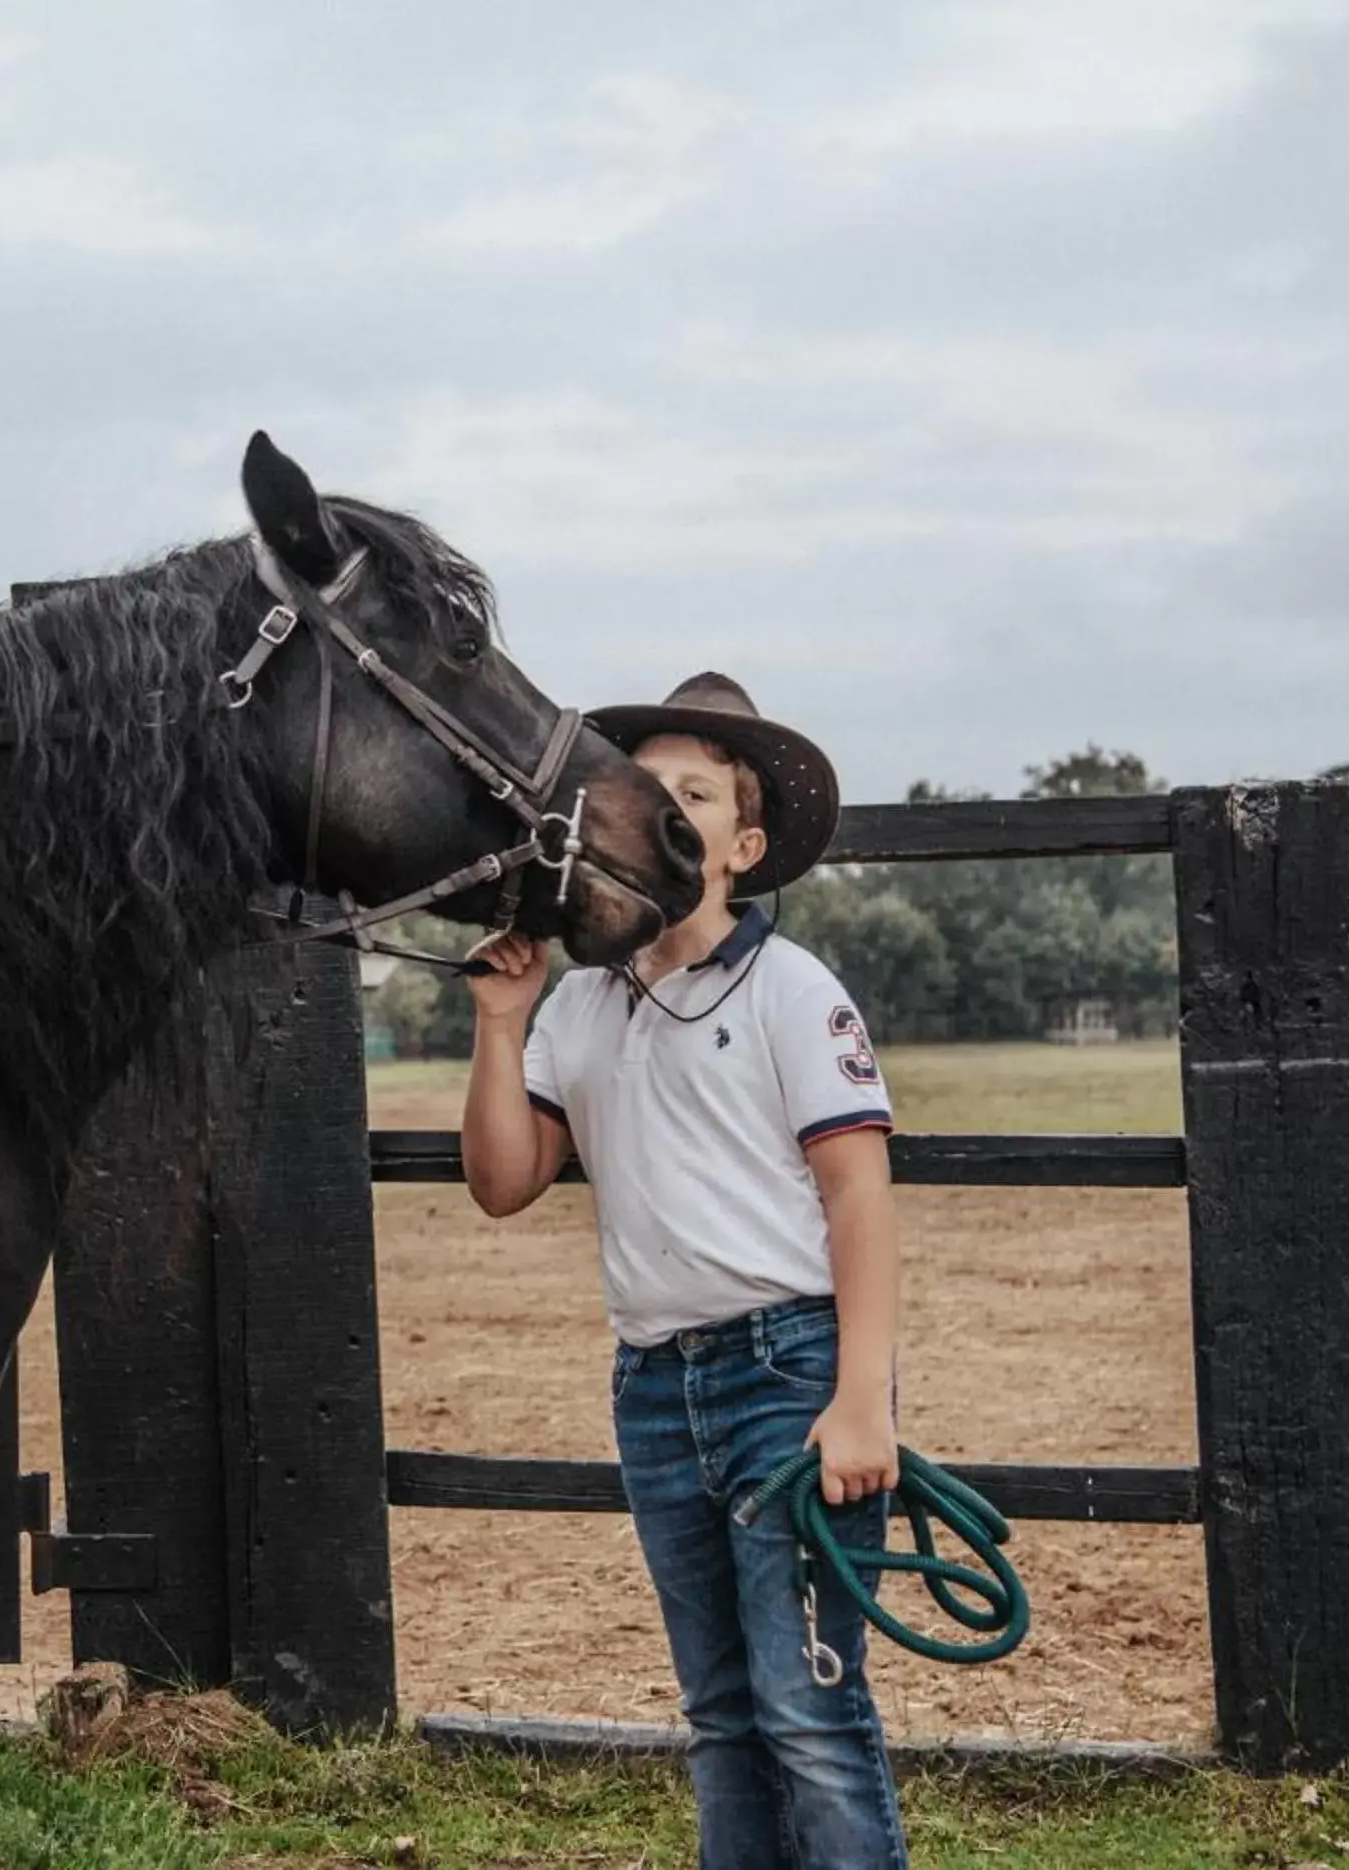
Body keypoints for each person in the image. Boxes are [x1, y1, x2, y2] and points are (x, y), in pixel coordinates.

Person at [460, 673, 905, 1867]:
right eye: (648, 785)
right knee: (720, 1718)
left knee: (807, 1707)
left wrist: (861, 1400)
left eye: (695, 791)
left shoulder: (790, 992)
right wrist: (503, 1024)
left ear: (740, 844)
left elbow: (857, 1192)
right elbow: (505, 1179)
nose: (665, 803)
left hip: (787, 1374)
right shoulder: (584, 1007)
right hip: (658, 1387)